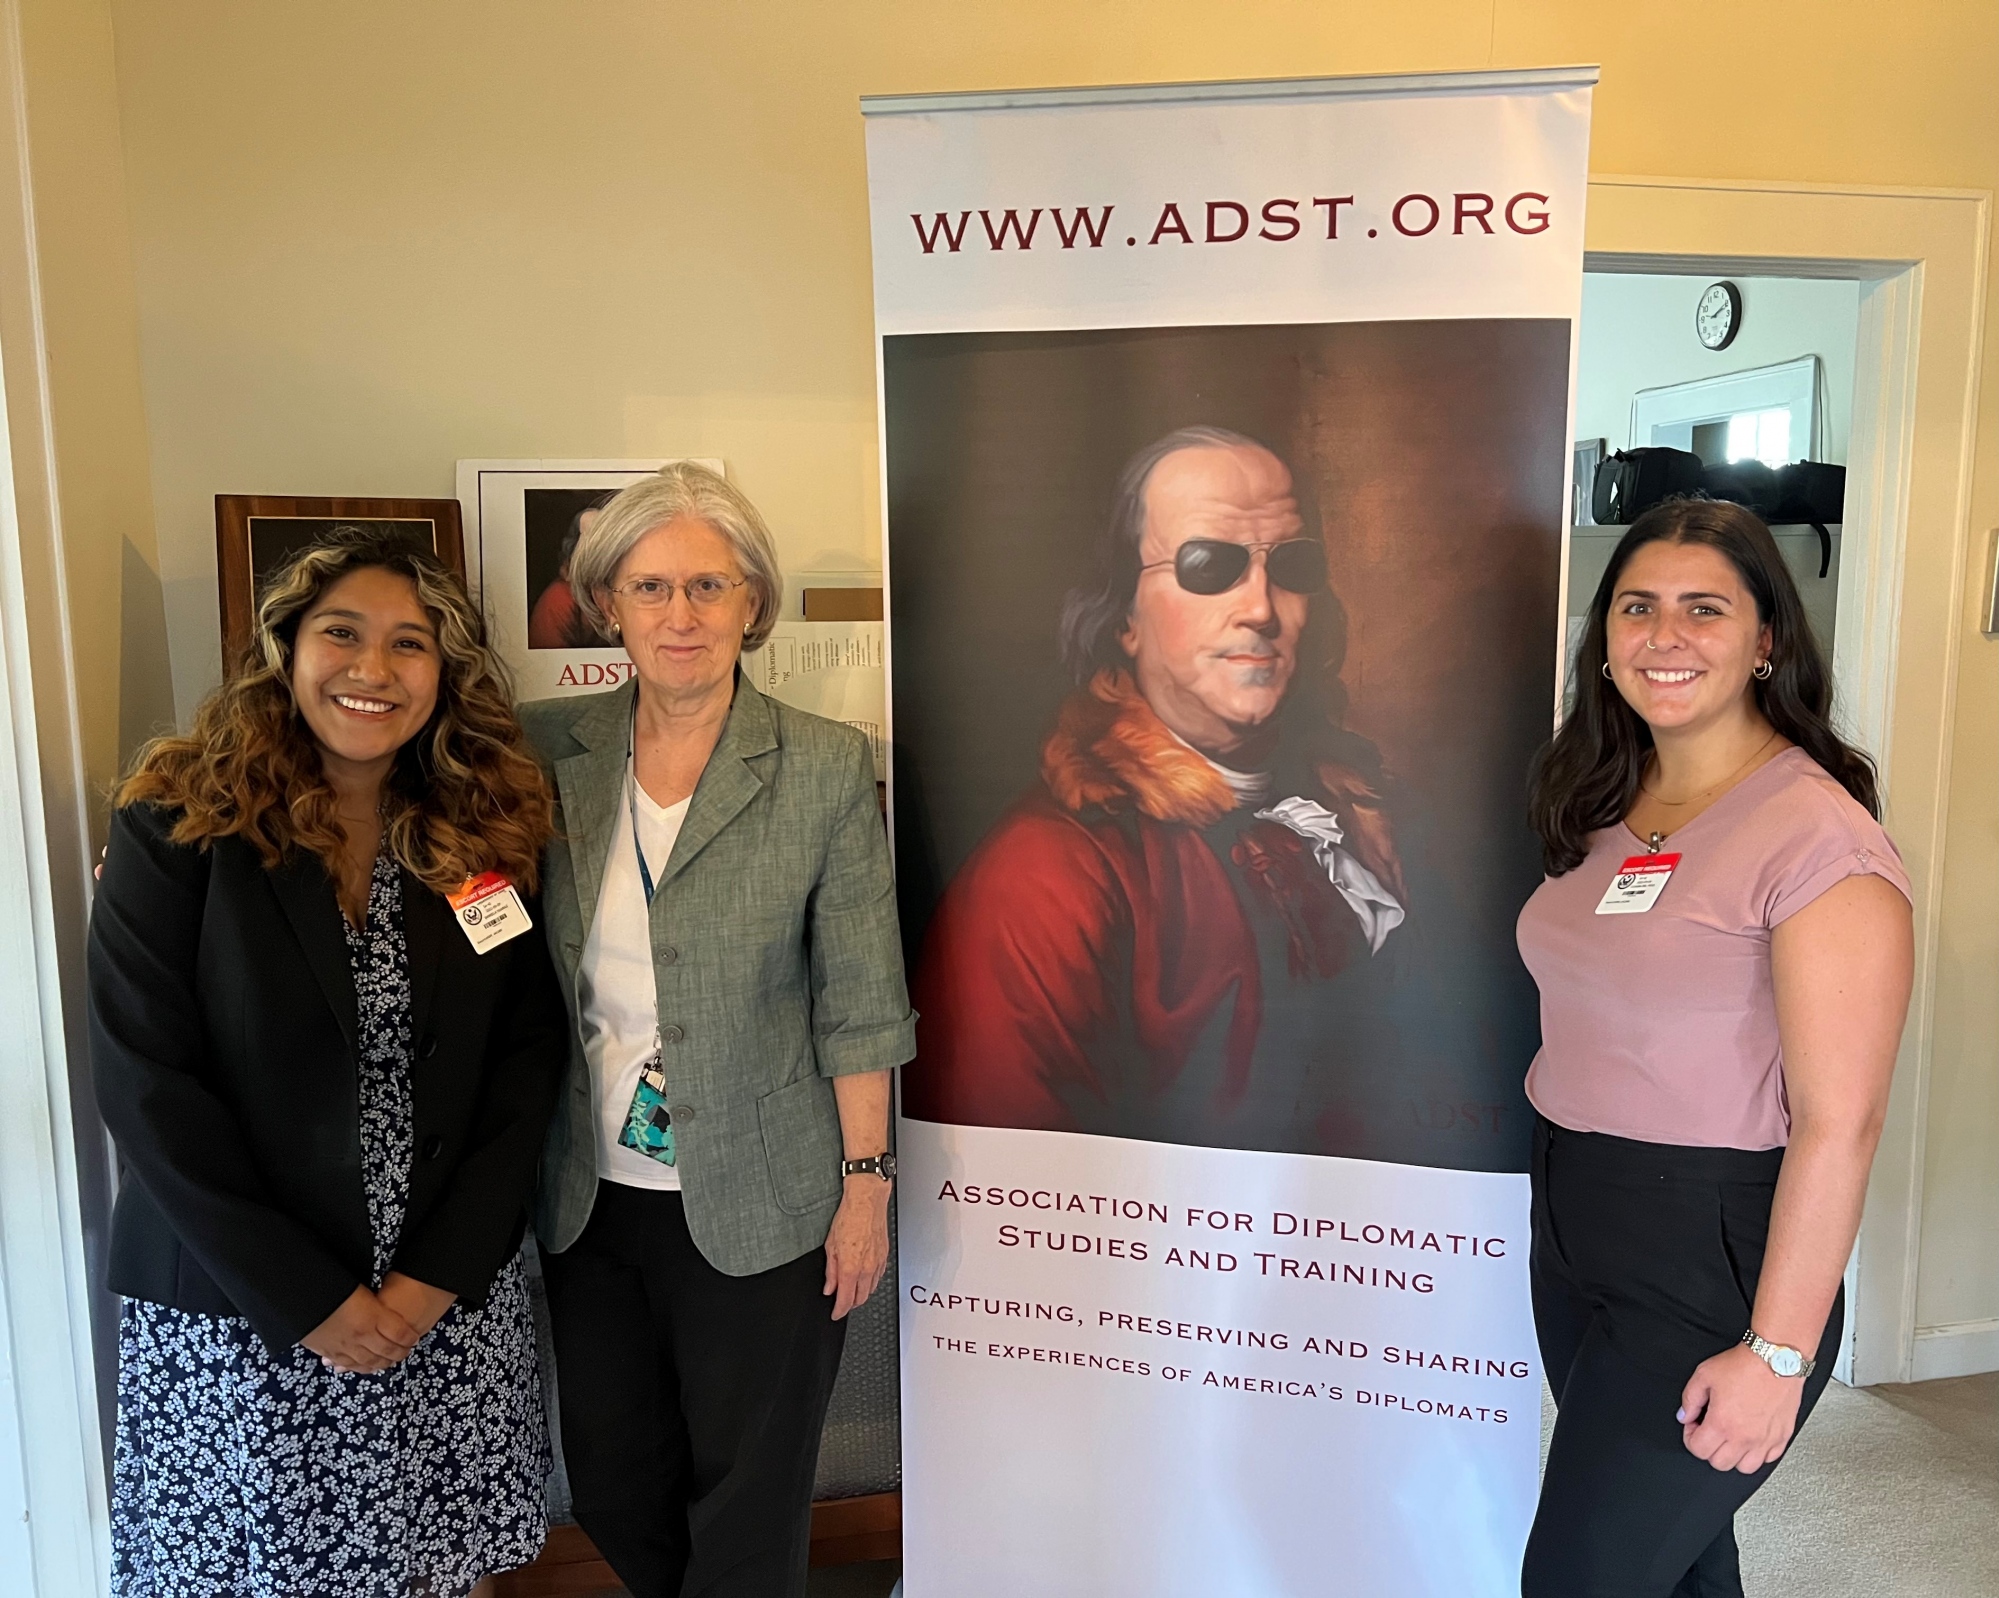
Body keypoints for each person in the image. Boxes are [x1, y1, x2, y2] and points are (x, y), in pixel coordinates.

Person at [89, 527, 570, 1598]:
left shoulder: (476, 833)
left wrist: (435, 1276)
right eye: (340, 633)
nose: (371, 669)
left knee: (439, 1566)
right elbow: (146, 1083)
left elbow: (525, 1059)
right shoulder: (176, 824)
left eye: (409, 644)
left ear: (444, 674)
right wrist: (309, 1298)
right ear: (284, 648)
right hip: (243, 1297)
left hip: (436, 1291)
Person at [521, 462, 915, 1598]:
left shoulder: (825, 764)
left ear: (753, 603)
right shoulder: (546, 751)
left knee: (750, 1497)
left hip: (768, 1198)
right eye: (649, 587)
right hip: (591, 1194)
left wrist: (865, 1185)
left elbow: (860, 996)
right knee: (609, 1476)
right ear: (608, 605)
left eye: (708, 585)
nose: (678, 615)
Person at [1517, 497, 1914, 1597]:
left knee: (1580, 1577)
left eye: (1705, 608)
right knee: (1678, 1561)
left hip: (1709, 1252)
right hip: (1571, 1222)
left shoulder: (1817, 839)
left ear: (1765, 640)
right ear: (1605, 641)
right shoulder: (1602, 796)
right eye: (1637, 607)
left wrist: (1777, 1352)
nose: (1664, 635)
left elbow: (1843, 1121)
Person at [904, 425, 1440, 1159]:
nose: (1261, 607)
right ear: (1122, 615)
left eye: (1290, 565)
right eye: (1207, 565)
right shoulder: (1045, 876)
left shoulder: (1372, 818)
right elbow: (1023, 1185)